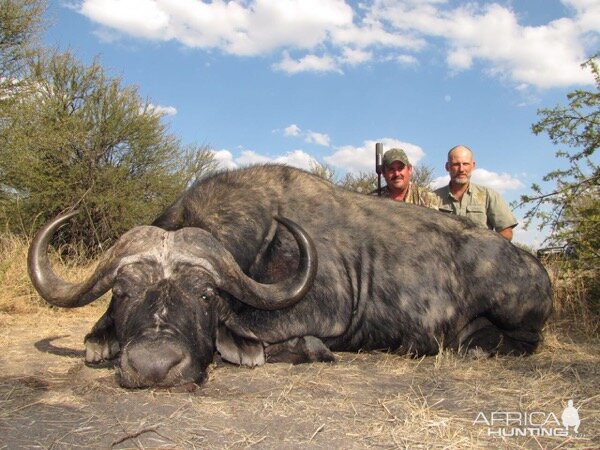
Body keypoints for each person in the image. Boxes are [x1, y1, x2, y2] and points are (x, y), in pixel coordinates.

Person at [432, 145, 517, 240]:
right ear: (447, 167)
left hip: (482, 253)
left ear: (473, 166)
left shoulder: (489, 195)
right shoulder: (433, 198)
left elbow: (506, 232)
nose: (461, 169)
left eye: (465, 164)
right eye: (456, 164)